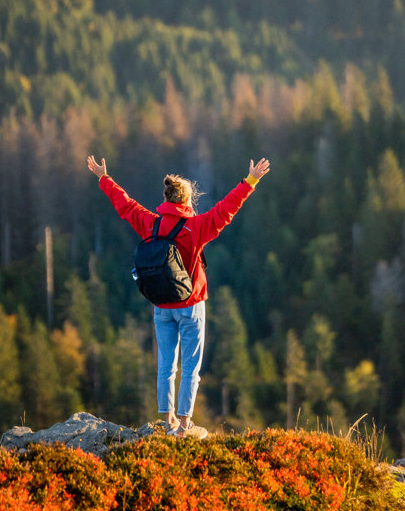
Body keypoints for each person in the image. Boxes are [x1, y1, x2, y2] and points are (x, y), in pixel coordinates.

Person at [86, 153, 270, 438]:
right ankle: (184, 424)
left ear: (167, 198)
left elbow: (125, 206)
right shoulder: (195, 228)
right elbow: (226, 210)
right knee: (191, 368)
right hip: (191, 304)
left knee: (166, 364)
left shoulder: (151, 223)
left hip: (161, 306)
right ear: (186, 201)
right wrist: (250, 181)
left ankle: (168, 417)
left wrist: (104, 178)